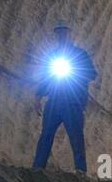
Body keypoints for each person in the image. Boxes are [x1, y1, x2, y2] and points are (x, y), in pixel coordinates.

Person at [32, 25, 97, 173]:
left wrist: (76, 72)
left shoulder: (80, 54)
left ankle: (80, 170)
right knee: (46, 136)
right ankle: (37, 168)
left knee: (76, 137)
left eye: (64, 33)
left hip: (73, 103)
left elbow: (92, 74)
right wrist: (37, 97)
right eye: (58, 33)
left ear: (69, 34)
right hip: (54, 103)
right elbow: (45, 79)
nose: (61, 36)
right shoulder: (52, 56)